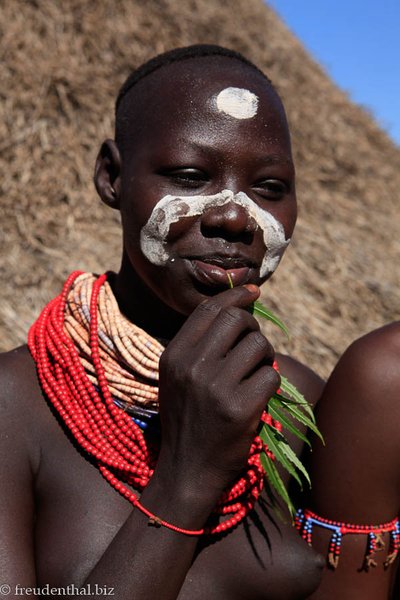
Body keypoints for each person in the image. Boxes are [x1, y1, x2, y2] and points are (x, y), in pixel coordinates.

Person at [0, 45, 398, 600]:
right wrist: (188, 476)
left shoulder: (302, 407)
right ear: (112, 177)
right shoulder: (16, 408)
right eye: (190, 176)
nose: (235, 216)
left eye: (270, 189)